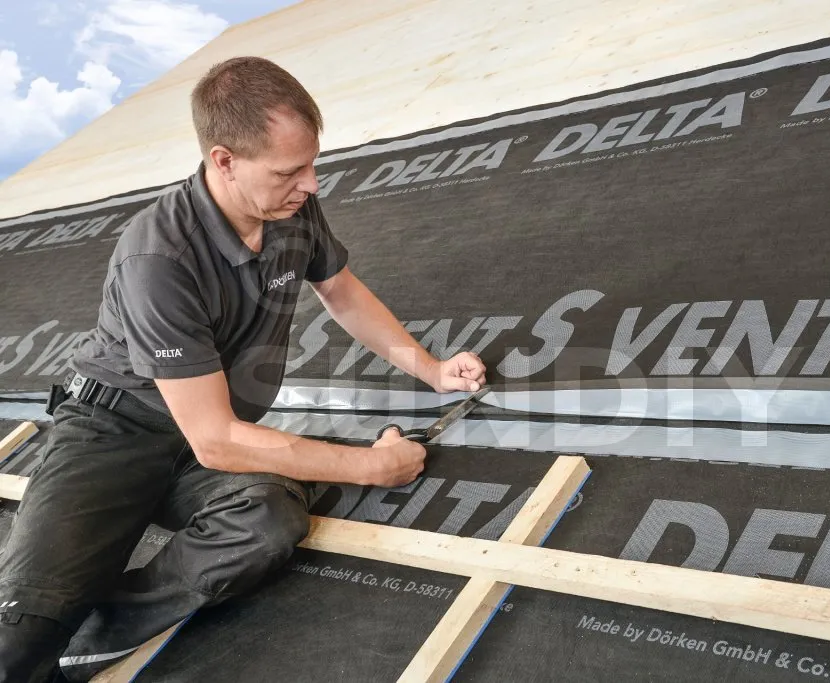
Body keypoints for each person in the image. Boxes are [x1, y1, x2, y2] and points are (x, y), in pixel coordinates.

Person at [0, 56, 487, 682]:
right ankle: (45, 631)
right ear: (224, 160)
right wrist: (369, 466)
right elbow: (218, 441)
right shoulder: (158, 257)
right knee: (19, 635)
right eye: (289, 171)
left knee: (267, 522)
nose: (311, 184)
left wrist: (432, 370)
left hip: (206, 437)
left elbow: (340, 291)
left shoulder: (289, 208)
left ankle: (83, 645)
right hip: (113, 433)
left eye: (311, 164)